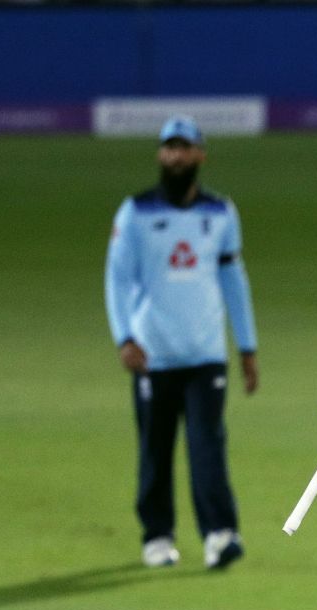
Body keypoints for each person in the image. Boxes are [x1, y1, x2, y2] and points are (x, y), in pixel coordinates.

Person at [103, 115, 259, 570]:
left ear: (199, 155)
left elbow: (234, 280)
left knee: (207, 444)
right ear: (160, 154)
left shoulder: (220, 213)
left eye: (184, 148)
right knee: (156, 446)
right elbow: (117, 279)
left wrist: (246, 347)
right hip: (153, 354)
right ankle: (157, 536)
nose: (175, 156)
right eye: (169, 148)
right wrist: (124, 337)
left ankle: (219, 534)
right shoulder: (135, 212)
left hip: (206, 354)